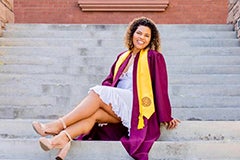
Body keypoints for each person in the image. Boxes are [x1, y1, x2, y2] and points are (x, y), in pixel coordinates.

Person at [32, 17, 180, 160]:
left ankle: (58, 125)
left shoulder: (154, 57)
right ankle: (60, 139)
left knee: (98, 91)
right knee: (94, 113)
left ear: (151, 39)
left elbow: (161, 87)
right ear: (132, 34)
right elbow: (110, 82)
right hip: (122, 107)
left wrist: (166, 116)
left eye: (147, 35)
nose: (142, 37)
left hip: (139, 107)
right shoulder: (123, 57)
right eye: (139, 33)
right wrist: (102, 97)